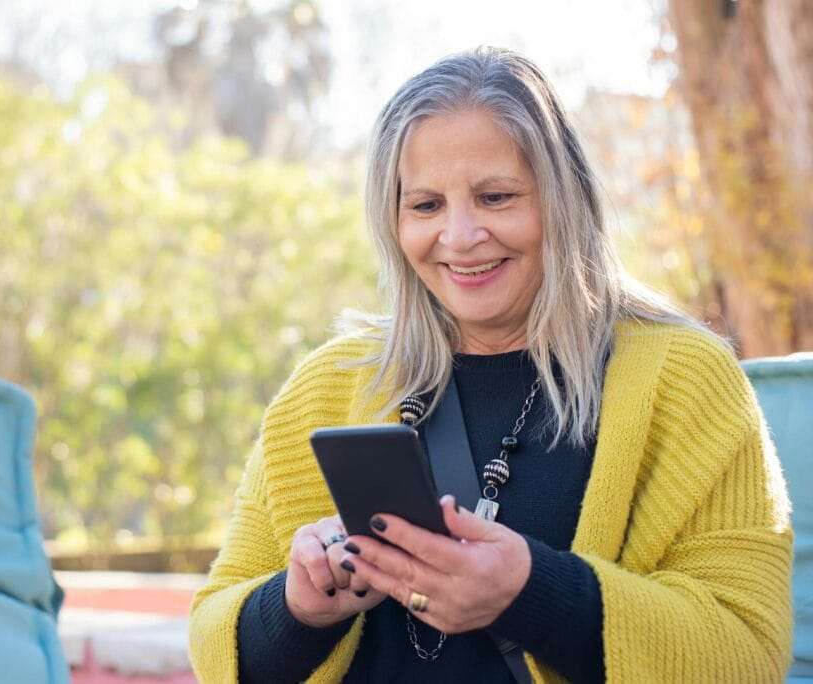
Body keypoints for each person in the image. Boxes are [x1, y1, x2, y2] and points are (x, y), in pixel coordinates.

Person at [188, 46, 793, 683]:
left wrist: (530, 593)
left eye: (496, 196)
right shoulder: (328, 386)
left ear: (565, 200)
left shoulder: (683, 378)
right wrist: (298, 608)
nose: (460, 235)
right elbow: (213, 637)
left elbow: (745, 651)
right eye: (425, 206)